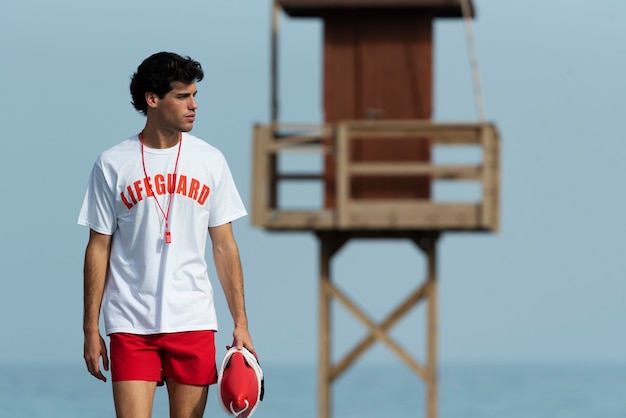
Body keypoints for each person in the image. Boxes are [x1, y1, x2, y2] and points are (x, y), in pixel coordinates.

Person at [78, 51, 254, 418]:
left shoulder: (210, 160)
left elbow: (224, 246)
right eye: (183, 96)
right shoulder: (113, 163)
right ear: (152, 100)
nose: (194, 105)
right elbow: (98, 247)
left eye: (194, 95)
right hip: (130, 323)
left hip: (193, 320)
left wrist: (241, 324)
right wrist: (90, 328)